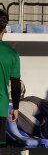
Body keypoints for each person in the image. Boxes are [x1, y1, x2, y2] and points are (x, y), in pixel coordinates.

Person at [0, 9, 21, 146]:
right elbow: (15, 84)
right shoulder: (12, 55)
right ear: (5, 28)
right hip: (1, 108)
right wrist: (16, 107)